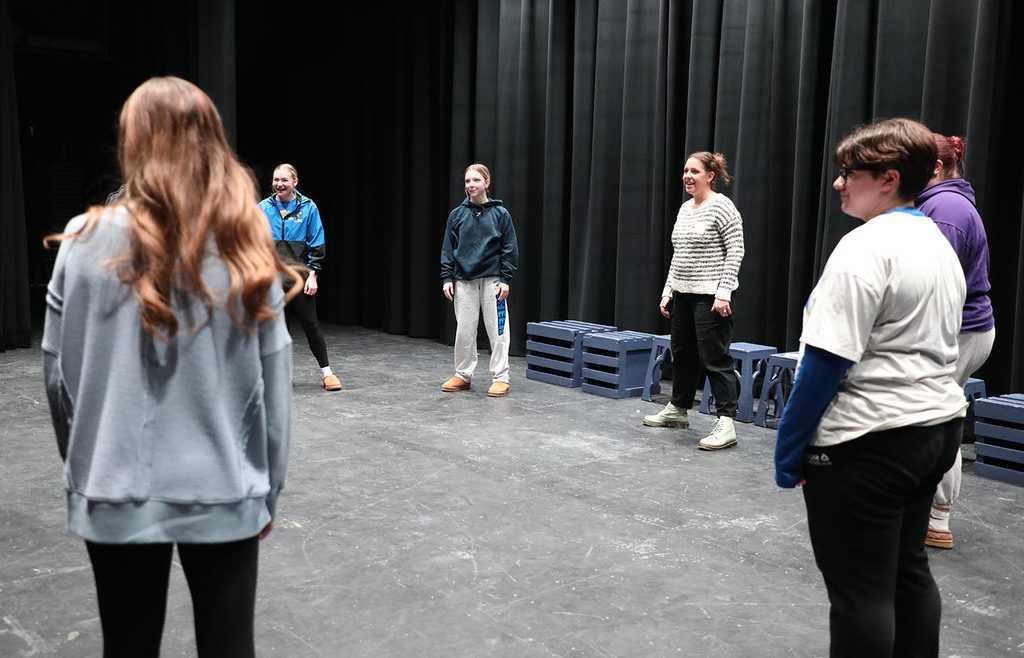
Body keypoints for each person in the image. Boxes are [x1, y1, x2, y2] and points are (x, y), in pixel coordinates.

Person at [42, 76, 297, 657]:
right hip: (225, 492)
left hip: (112, 490)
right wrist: (268, 492)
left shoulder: (82, 240)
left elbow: (59, 380)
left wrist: (89, 469)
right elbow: (274, 383)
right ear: (211, 142)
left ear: (133, 142)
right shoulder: (242, 242)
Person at [774, 118, 967, 657]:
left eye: (848, 173)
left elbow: (823, 364)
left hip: (870, 441)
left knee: (860, 592)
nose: (839, 183)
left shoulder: (864, 249)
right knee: (907, 573)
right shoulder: (934, 241)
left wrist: (789, 455)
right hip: (937, 429)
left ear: (887, 178)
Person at [916, 134, 995, 550]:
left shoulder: (945, 208)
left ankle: (938, 519)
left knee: (937, 419)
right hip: (963, 328)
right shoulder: (944, 202)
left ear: (935, 168)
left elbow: (938, 286)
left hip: (959, 330)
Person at [642, 152, 745, 451]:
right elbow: (679, 254)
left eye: (694, 171)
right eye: (685, 170)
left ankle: (726, 422)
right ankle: (678, 408)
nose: (688, 176)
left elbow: (735, 251)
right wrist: (668, 290)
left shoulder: (723, 207)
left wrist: (724, 291)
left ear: (710, 176)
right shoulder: (686, 209)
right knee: (682, 353)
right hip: (683, 293)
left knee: (715, 357)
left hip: (711, 295)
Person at [258, 164, 341, 391]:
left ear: (295, 182)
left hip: (300, 277)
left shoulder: (308, 207)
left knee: (310, 324)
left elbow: (317, 242)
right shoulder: (263, 208)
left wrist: (313, 275)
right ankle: (283, 374)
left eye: (284, 180)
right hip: (272, 279)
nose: (279, 184)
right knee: (277, 328)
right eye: (276, 180)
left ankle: (327, 372)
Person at [440, 163, 519, 397]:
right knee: (464, 330)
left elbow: (509, 247)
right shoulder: (457, 215)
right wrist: (447, 277)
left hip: (493, 280)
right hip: (464, 279)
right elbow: (448, 248)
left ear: (486, 182)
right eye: (467, 181)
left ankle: (501, 377)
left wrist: (506, 278)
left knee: (498, 330)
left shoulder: (500, 214)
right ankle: (463, 375)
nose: (471, 185)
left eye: (476, 180)